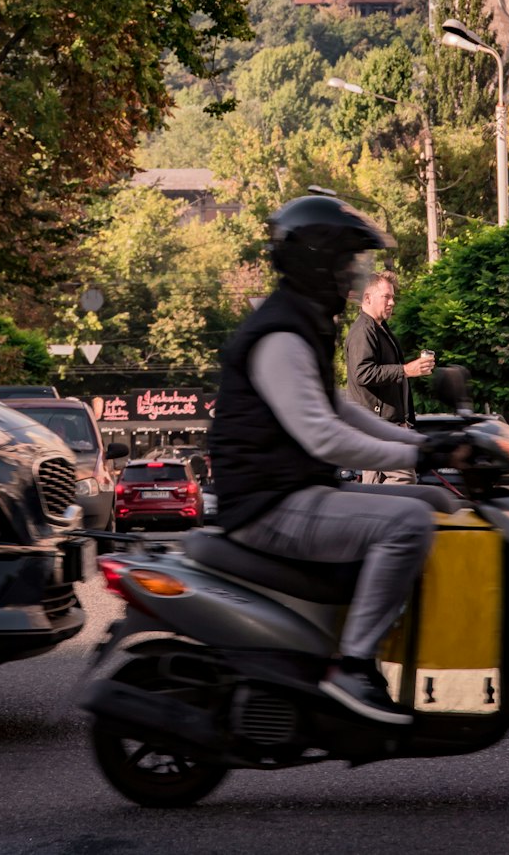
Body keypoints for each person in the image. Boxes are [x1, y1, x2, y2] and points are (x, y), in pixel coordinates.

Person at [209, 194, 466, 726]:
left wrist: (422, 446)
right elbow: (325, 436)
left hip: (293, 490)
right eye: (348, 261)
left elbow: (340, 413)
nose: (356, 273)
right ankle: (352, 664)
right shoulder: (281, 334)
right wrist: (414, 447)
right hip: (269, 503)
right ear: (317, 263)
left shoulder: (304, 322)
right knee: (409, 521)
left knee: (436, 498)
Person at [345, 272, 435, 484]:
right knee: (404, 480)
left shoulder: (379, 328)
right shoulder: (363, 331)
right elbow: (363, 373)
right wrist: (405, 370)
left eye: (393, 297)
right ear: (367, 298)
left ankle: (370, 516)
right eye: (386, 297)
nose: (392, 302)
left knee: (374, 488)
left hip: (382, 426)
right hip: (378, 426)